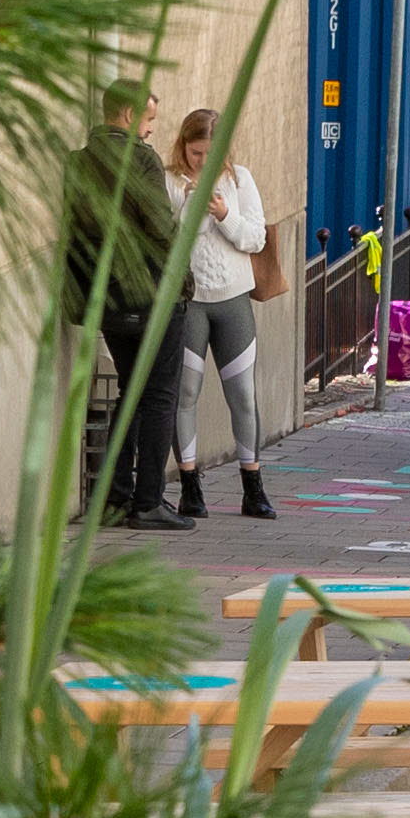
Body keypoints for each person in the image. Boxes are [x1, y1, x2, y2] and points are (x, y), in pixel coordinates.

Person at [63, 79, 194, 529]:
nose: (151, 130)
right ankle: (148, 503)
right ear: (126, 115)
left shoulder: (78, 162)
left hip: (107, 300)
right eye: (149, 119)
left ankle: (115, 500)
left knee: (128, 395)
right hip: (152, 295)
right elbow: (160, 226)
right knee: (159, 396)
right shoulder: (140, 158)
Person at [164, 107, 279, 521]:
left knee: (243, 395)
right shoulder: (170, 182)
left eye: (211, 154)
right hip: (190, 300)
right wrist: (192, 214)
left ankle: (253, 485)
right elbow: (169, 243)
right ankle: (190, 486)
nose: (203, 162)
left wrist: (225, 215)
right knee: (186, 394)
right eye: (196, 154)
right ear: (184, 148)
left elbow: (256, 237)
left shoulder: (239, 179)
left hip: (233, 298)